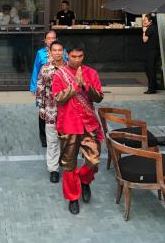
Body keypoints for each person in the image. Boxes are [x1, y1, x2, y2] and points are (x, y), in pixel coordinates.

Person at [52, 42, 104, 215]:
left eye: (80, 56)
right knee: (69, 165)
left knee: (93, 160)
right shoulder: (59, 75)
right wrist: (74, 85)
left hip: (89, 124)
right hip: (69, 124)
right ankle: (73, 198)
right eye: (73, 56)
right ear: (67, 55)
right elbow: (58, 98)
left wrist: (85, 86)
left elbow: (99, 98)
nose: (77, 60)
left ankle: (84, 180)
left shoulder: (91, 73)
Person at [36, 40, 66, 183]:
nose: (57, 53)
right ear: (50, 52)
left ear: (63, 51)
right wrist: (41, 107)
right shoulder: (45, 68)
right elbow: (40, 88)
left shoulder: (69, 68)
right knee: (52, 140)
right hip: (50, 109)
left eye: (60, 50)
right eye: (55, 50)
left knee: (66, 140)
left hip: (67, 111)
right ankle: (53, 169)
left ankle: (65, 163)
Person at [30, 31, 61, 147]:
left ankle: (58, 133)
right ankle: (43, 137)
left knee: (58, 112)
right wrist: (34, 88)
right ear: (45, 40)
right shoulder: (40, 53)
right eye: (49, 38)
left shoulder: (62, 51)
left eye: (53, 38)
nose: (51, 40)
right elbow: (36, 70)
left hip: (59, 89)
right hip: (44, 88)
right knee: (42, 112)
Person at [142, 13, 159, 94]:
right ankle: (154, 86)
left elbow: (144, 40)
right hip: (154, 51)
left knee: (149, 69)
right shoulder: (154, 27)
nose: (144, 21)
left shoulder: (150, 28)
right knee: (151, 69)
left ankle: (151, 89)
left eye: (145, 20)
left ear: (150, 21)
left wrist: (144, 31)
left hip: (151, 51)